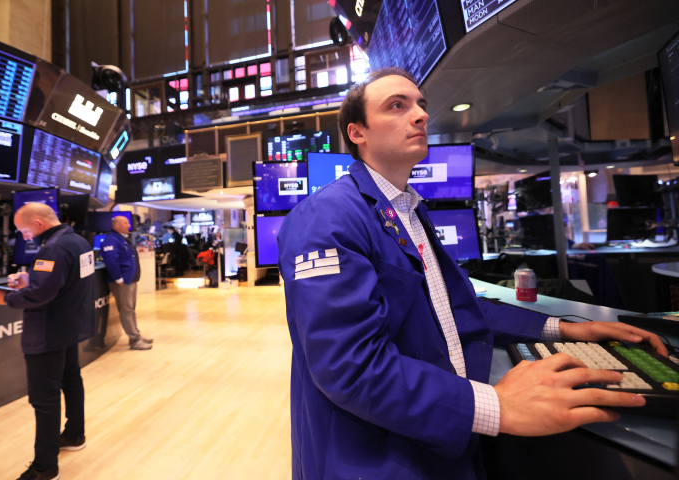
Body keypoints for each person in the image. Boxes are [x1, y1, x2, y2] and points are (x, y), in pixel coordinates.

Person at [276, 67, 669, 480]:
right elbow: (350, 367)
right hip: (372, 456)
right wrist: (496, 406)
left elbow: (453, 306)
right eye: (397, 106)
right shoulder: (327, 216)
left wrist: (564, 329)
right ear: (358, 133)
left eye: (420, 105)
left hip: (431, 439)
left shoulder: (406, 210)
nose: (420, 115)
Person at [0, 203, 96, 480]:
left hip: (48, 331)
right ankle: (74, 434)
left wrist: (6, 298)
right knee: (71, 381)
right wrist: (29, 278)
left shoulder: (52, 248)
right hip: (69, 326)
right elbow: (62, 282)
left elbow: (41, 295)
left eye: (23, 230)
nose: (23, 236)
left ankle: (45, 466)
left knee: (43, 399)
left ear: (37, 222)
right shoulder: (78, 240)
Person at [102, 215, 153, 350]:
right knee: (126, 311)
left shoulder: (122, 239)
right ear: (116, 225)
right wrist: (119, 279)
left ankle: (136, 335)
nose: (129, 225)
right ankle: (135, 340)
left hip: (130, 280)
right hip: (122, 282)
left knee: (130, 310)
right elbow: (111, 261)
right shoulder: (111, 240)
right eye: (125, 223)